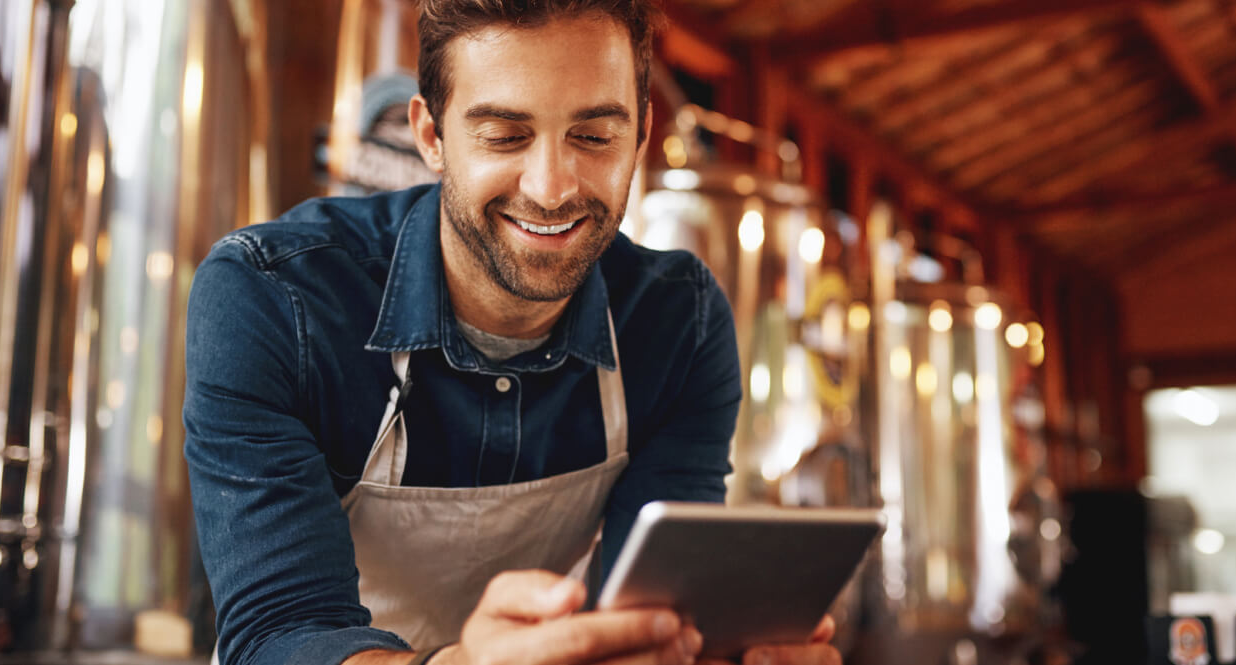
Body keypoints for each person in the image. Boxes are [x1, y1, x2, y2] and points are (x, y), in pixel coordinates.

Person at [183, 2, 839, 665]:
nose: (552, 188)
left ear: (641, 133)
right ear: (431, 136)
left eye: (593, 137)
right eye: (504, 135)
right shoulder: (274, 299)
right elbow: (278, 635)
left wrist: (716, 652)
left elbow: (648, 615)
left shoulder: (676, 324)